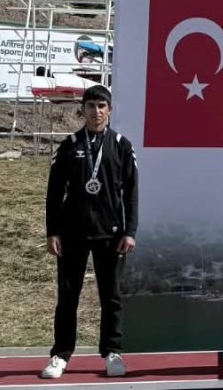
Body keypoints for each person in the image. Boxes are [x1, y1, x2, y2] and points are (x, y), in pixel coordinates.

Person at [41, 85, 139, 379]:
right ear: (81, 110)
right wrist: (52, 232)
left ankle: (112, 353)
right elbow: (54, 193)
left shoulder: (122, 145)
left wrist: (130, 231)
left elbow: (132, 193)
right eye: (90, 106)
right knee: (68, 297)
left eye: (101, 106)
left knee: (112, 297)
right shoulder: (69, 146)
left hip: (110, 234)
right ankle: (60, 355)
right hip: (72, 234)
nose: (96, 112)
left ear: (109, 111)